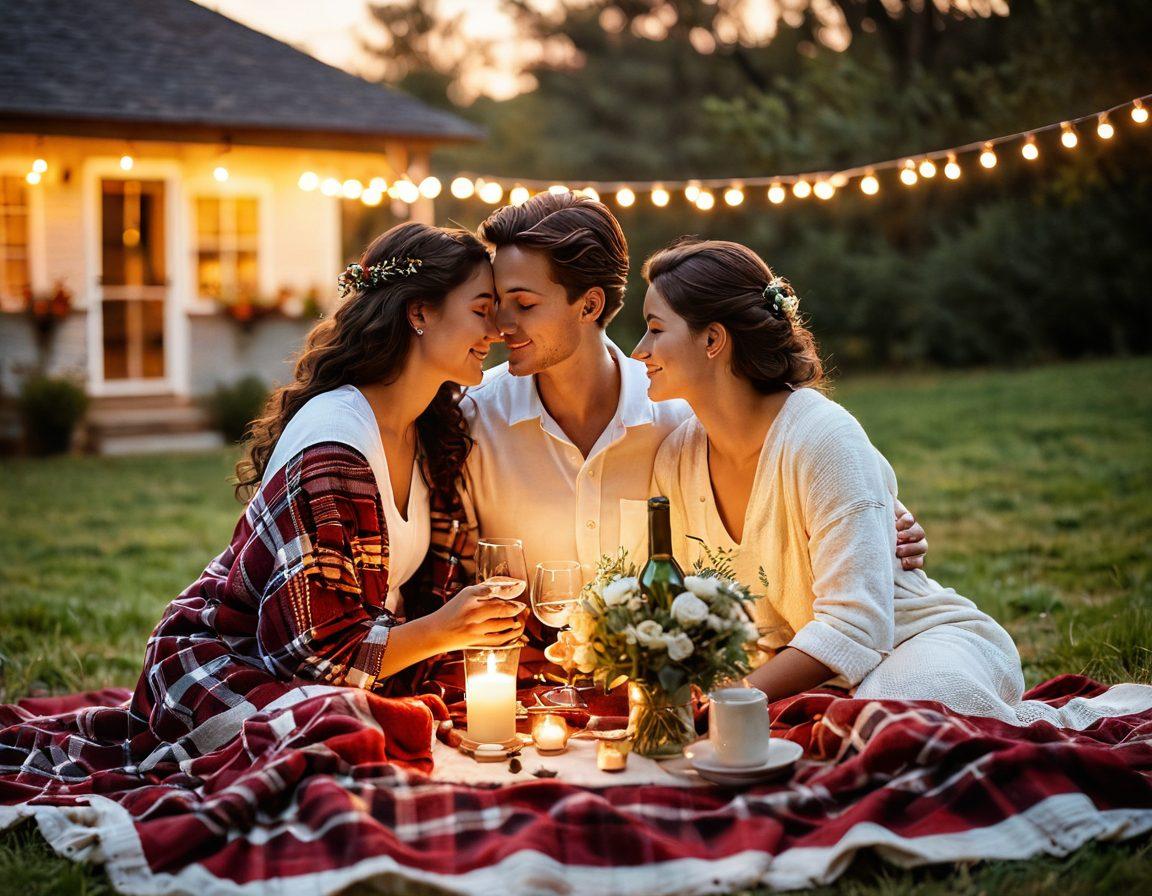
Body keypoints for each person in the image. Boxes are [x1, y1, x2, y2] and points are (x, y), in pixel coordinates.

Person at [7, 222, 528, 775]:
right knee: (342, 741)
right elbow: (308, 659)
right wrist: (444, 630)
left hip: (332, 673)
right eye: (481, 309)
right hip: (230, 664)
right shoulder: (335, 446)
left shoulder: (432, 430)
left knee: (414, 723)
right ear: (419, 313)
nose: (496, 330)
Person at [635, 237, 1094, 725]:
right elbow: (689, 606)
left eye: (655, 329)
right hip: (795, 670)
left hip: (913, 644)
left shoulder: (823, 438)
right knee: (799, 732)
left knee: (888, 720)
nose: (639, 350)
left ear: (712, 340)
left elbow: (856, 626)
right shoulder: (676, 458)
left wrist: (731, 695)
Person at [465, 193, 929, 593]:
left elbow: (798, 460)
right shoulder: (473, 419)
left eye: (523, 304)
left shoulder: (681, 415)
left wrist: (883, 517)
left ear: (589, 304)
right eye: (496, 302)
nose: (500, 325)